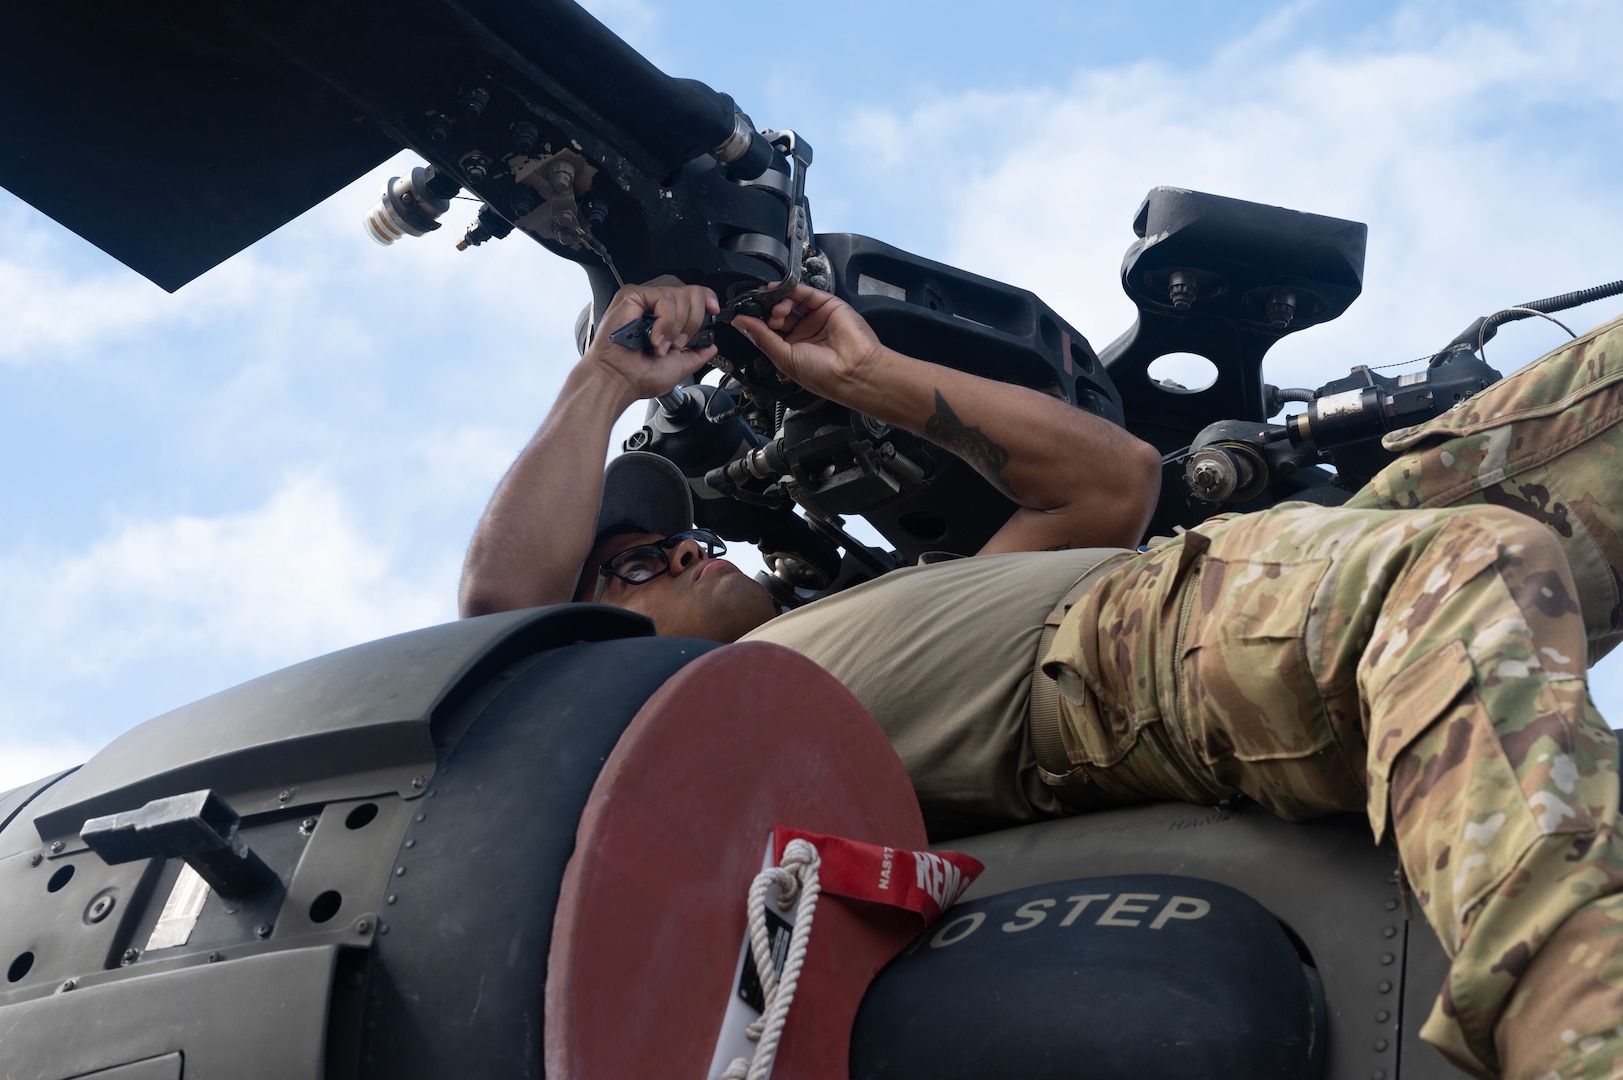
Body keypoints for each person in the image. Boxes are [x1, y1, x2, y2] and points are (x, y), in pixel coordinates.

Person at [460, 281, 1623, 1080]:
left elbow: (1110, 485)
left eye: (671, 536)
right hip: (1126, 666)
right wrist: (605, 382)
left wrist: (869, 374)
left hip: (1221, 583)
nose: (678, 550)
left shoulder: (866, 622)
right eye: (630, 570)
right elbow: (503, 613)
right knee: (1467, 571)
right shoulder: (726, 735)